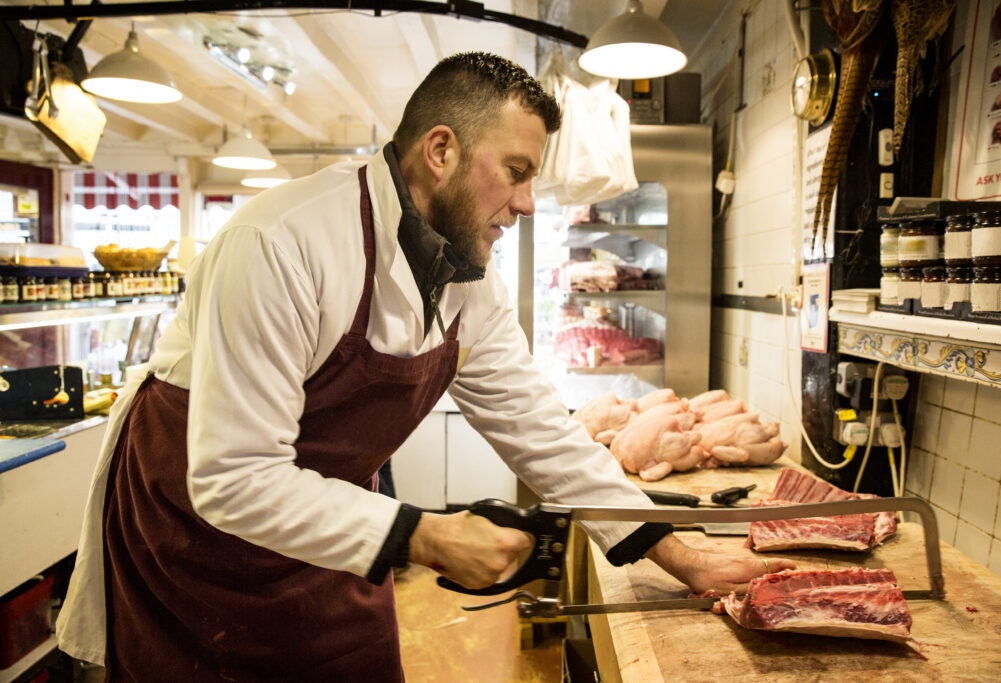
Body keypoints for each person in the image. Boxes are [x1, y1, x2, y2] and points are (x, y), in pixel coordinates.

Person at [56, 52, 791, 681]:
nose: (529, 203)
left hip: (327, 516)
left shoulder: (470, 277)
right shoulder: (283, 242)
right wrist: (423, 534)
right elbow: (234, 477)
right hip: (194, 538)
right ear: (440, 151)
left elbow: (540, 429)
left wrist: (680, 553)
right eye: (515, 171)